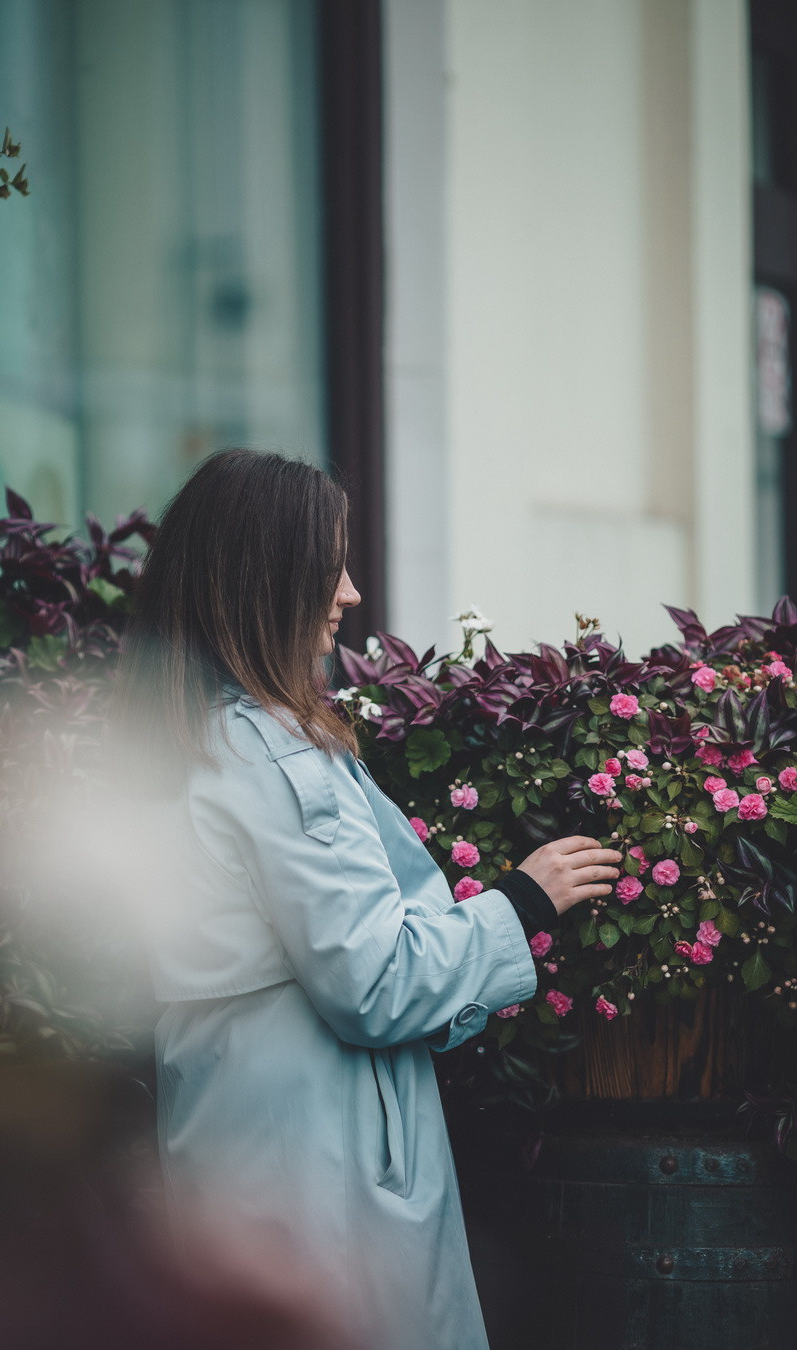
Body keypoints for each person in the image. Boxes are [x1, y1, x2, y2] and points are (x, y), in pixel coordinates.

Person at [117, 449, 621, 1350]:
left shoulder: (190, 742)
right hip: (321, 1160)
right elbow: (376, 980)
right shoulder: (275, 756)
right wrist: (523, 902)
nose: (349, 592)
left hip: (238, 1134)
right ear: (266, 576)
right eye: (329, 566)